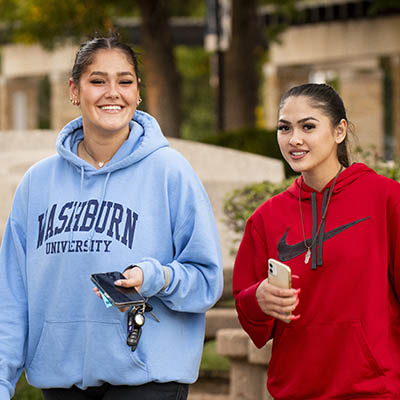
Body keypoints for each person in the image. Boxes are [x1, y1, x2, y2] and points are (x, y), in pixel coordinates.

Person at [0, 33, 223, 400]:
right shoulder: (36, 184)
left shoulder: (170, 171)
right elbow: (11, 294)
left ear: (138, 92)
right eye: (98, 81)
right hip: (62, 381)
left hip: (148, 380)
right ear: (75, 90)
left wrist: (156, 276)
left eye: (124, 81)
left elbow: (206, 280)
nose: (112, 92)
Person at [233, 83, 400, 399]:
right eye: (285, 128)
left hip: (375, 389)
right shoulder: (266, 218)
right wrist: (260, 298)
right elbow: (249, 311)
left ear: (339, 131)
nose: (294, 139)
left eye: (308, 126)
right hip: (295, 390)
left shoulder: (387, 199)